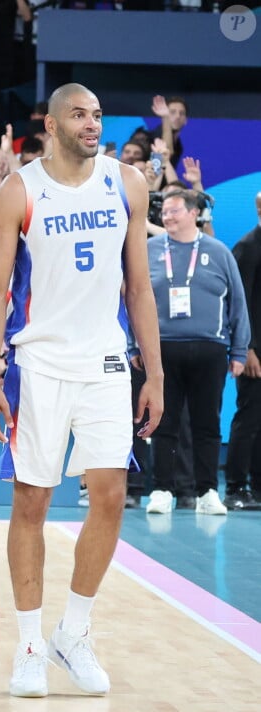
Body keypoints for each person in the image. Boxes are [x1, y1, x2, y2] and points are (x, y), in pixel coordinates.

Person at [0, 83, 163, 699]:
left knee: (110, 495)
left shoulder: (126, 183)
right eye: (79, 115)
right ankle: (29, 644)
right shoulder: (20, 190)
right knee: (32, 501)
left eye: (98, 115)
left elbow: (138, 288)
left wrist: (153, 373)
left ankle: (72, 631)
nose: (92, 124)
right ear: (51, 125)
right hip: (38, 363)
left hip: (106, 361)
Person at [143, 189, 249, 516]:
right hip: (162, 349)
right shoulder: (148, 250)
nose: (167, 216)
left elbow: (238, 303)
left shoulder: (219, 252)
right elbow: (131, 298)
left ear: (193, 214)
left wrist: (240, 351)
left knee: (207, 424)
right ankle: (162, 490)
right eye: (165, 212)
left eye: (175, 211)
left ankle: (207, 492)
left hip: (211, 349)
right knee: (163, 422)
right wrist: (135, 345)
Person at [223, 192, 261, 511]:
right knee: (249, 418)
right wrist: (245, 348)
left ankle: (258, 487)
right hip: (255, 353)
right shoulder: (248, 247)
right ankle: (235, 487)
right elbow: (240, 302)